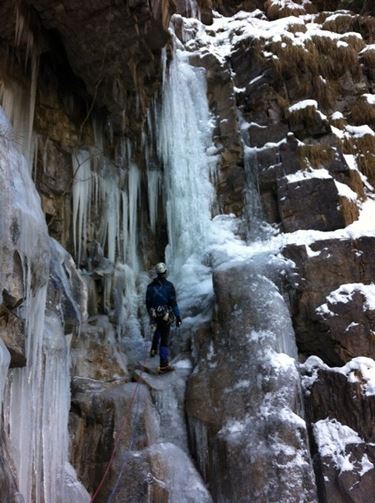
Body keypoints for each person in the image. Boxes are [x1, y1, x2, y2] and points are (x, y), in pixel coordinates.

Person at [146, 262, 182, 374]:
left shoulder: (150, 286)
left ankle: (153, 349)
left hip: (155, 315)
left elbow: (148, 303)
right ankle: (164, 365)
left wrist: (151, 316)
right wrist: (178, 316)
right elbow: (173, 303)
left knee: (159, 329)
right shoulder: (169, 286)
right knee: (165, 340)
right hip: (166, 315)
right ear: (165, 272)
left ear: (157, 273)